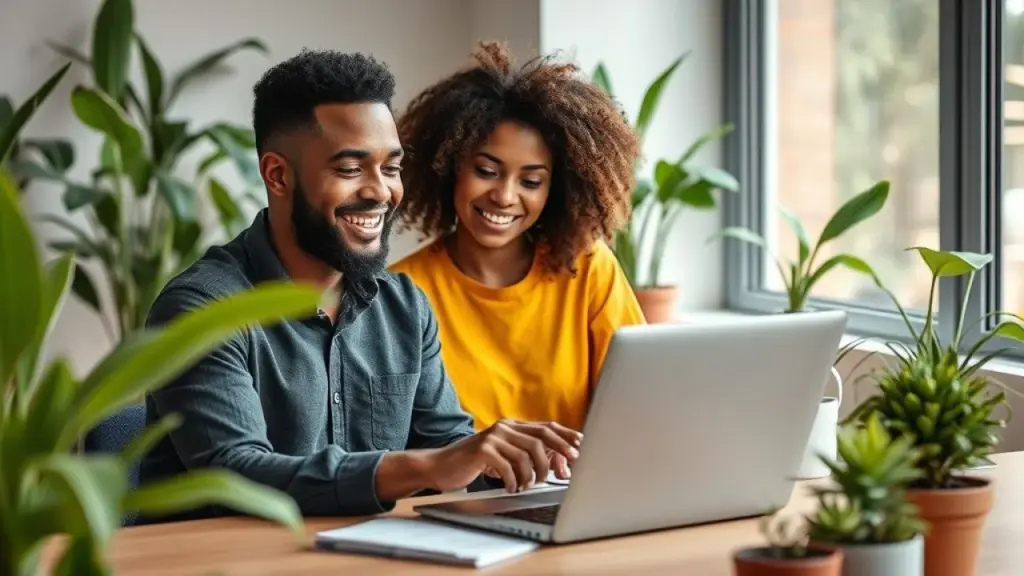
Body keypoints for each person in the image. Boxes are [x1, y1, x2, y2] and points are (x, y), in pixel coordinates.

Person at [139, 48, 580, 522]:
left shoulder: (404, 307)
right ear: (278, 175)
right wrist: (425, 465)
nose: (381, 191)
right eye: (351, 169)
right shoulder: (202, 308)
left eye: (390, 168)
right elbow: (236, 475)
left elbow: (448, 450)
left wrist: (519, 462)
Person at [389, 42, 645, 435]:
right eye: (487, 171)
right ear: (450, 166)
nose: (505, 196)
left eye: (531, 181)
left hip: (576, 488)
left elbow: (639, 402)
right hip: (460, 495)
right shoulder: (402, 293)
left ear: (554, 190)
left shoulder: (589, 269)